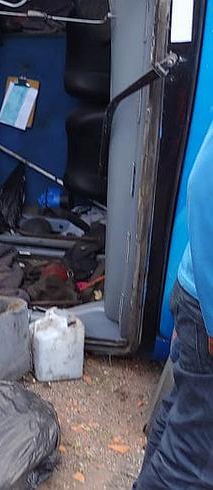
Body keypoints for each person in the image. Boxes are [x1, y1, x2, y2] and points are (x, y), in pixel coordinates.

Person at [136, 125, 213, 488]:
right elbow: (203, 188)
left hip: (197, 290)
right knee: (194, 463)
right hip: (206, 306)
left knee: (178, 420)